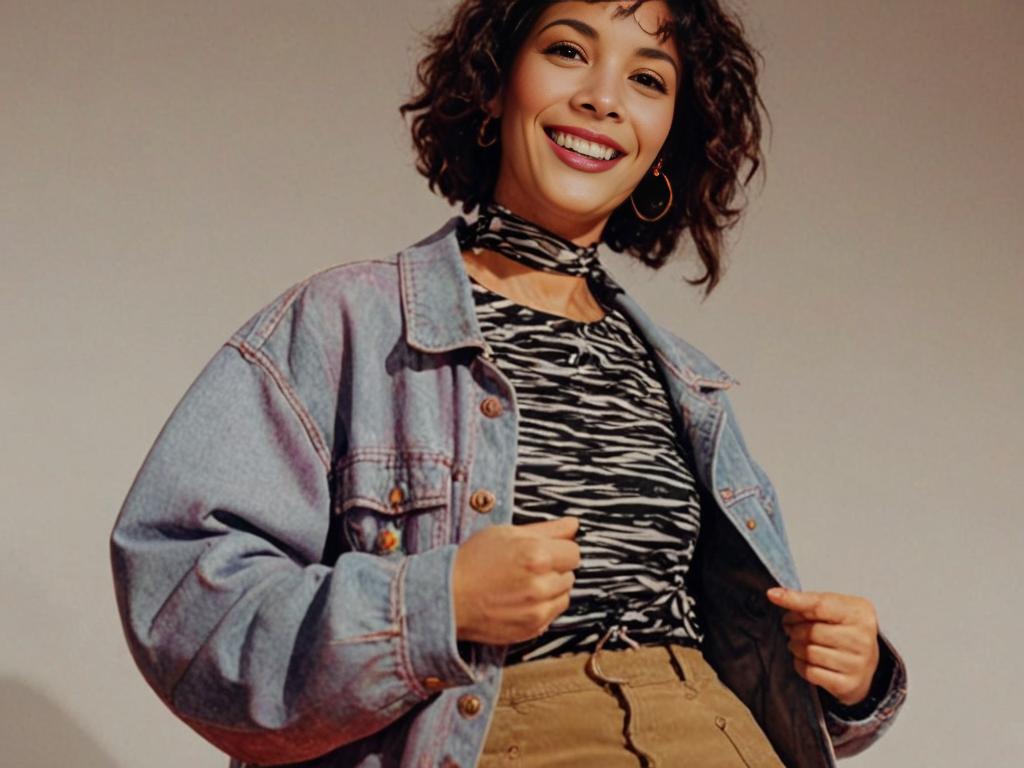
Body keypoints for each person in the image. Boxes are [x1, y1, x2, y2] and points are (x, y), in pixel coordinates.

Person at [110, 1, 908, 766]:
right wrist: (436, 604)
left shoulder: (686, 384)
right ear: (493, 85)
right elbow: (182, 600)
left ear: (667, 140)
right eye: (568, 51)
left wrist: (850, 679)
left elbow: (734, 659)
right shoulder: (344, 323)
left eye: (648, 79)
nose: (601, 98)